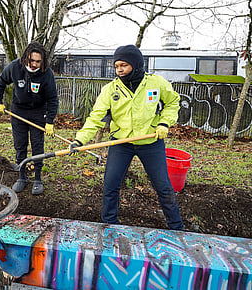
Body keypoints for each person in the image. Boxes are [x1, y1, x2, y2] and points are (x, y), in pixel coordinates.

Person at [69, 44, 184, 230]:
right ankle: (109, 225)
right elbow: (95, 117)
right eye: (116, 66)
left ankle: (177, 228)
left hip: (150, 142)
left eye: (124, 65)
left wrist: (164, 123)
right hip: (121, 144)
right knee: (110, 185)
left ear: (136, 64)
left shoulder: (156, 83)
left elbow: (173, 103)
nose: (119, 69)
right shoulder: (110, 89)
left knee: (163, 186)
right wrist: (80, 140)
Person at [0, 42, 59, 195]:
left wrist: (49, 121)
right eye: (32, 61)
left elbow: (53, 98)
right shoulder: (15, 67)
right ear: (25, 58)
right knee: (20, 145)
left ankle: (37, 179)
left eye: (38, 61)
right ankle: (22, 177)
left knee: (37, 145)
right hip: (18, 111)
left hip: (38, 112)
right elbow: (0, 83)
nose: (35, 64)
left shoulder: (46, 73)